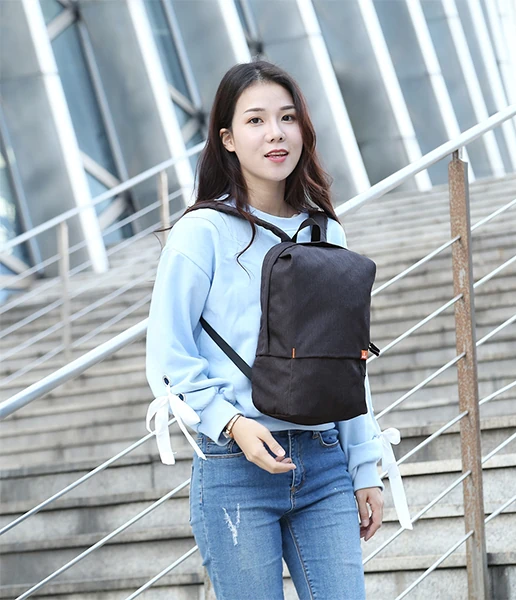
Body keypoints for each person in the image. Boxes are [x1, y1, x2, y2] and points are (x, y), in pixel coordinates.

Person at [145, 60, 405, 600]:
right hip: (235, 466)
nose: (275, 133)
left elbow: (345, 363)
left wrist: (365, 468)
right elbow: (168, 354)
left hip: (324, 461)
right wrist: (231, 423)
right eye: (256, 120)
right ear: (228, 138)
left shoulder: (324, 230)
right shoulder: (202, 232)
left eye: (287, 118)